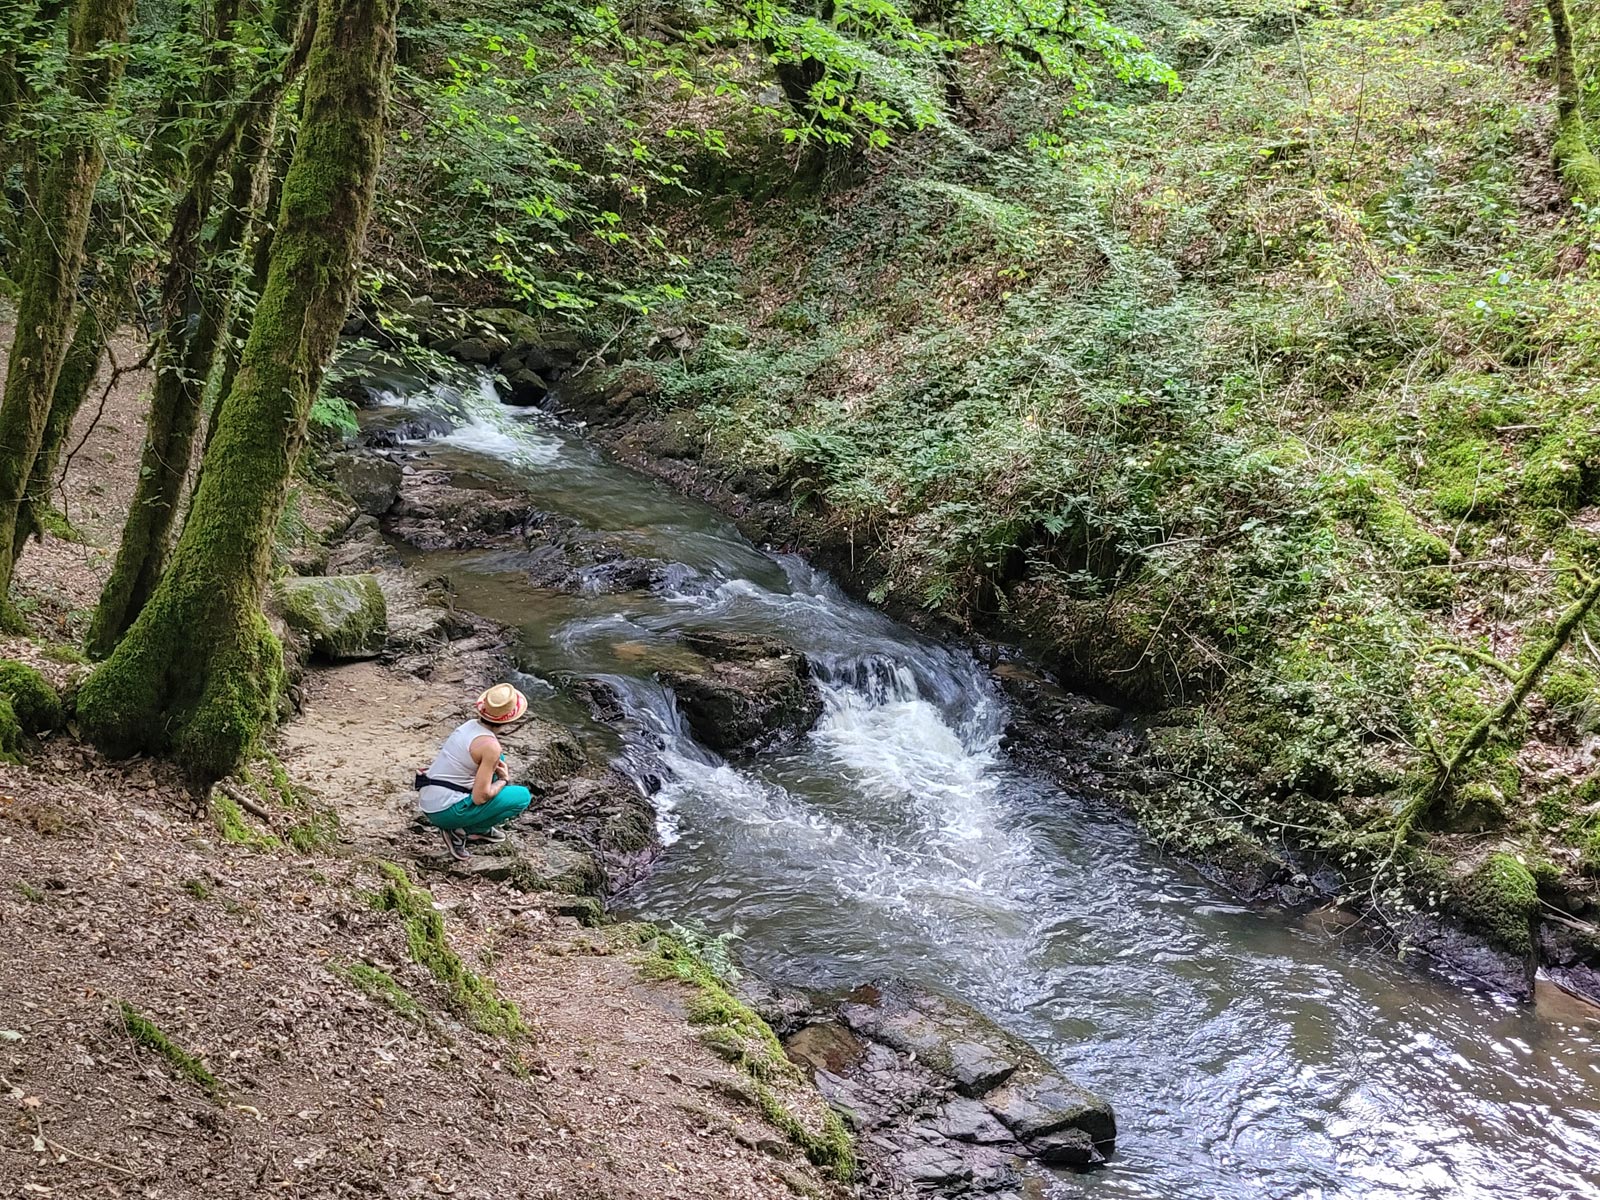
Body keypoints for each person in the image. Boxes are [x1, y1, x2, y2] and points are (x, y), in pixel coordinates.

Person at [415, 683, 533, 861]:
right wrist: (504, 780)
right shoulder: (490, 746)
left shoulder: (469, 726)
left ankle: (471, 826)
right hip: (444, 811)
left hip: (430, 798)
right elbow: (480, 797)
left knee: (500, 761)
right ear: (509, 720)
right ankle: (464, 830)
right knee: (522, 797)